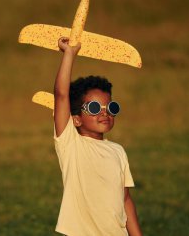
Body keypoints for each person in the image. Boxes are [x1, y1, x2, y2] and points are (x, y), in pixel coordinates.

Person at [53, 37, 143, 236]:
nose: (105, 113)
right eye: (94, 108)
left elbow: (125, 199)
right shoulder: (71, 145)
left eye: (111, 107)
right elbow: (61, 95)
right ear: (76, 119)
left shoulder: (118, 151)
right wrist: (69, 54)